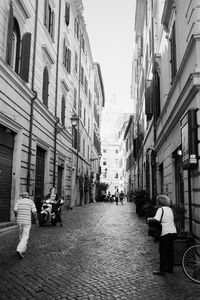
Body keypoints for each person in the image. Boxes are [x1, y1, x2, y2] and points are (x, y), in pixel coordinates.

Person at [147, 194, 177, 275]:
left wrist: (149, 218)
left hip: (165, 232)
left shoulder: (161, 209)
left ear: (160, 202)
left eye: (157, 201)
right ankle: (170, 269)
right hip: (173, 232)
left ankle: (162, 270)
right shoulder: (170, 209)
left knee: (163, 251)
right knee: (170, 251)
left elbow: (156, 219)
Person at [14, 192, 38, 259]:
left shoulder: (18, 201)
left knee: (21, 235)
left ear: (22, 196)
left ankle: (22, 249)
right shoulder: (31, 202)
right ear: (28, 196)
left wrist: (16, 215)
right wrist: (36, 220)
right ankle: (19, 249)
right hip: (27, 221)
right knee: (25, 236)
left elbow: (15, 210)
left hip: (19, 221)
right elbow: (34, 212)